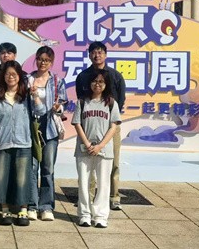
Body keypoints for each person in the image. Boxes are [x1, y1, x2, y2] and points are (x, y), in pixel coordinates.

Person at [0, 60, 45, 227]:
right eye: (7, 74)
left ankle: (23, 210)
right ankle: (5, 210)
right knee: (2, 177)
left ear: (19, 76)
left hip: (23, 143)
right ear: (3, 76)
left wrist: (35, 96)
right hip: (3, 142)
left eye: (14, 74)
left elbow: (41, 111)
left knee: (22, 178)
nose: (10, 77)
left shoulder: (26, 96)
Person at [75, 41, 126, 210]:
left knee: (113, 162)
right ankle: (87, 197)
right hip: (88, 125)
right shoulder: (83, 76)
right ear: (89, 55)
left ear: (105, 54)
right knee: (88, 164)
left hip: (110, 126)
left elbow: (120, 99)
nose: (97, 55)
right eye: (93, 52)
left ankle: (114, 196)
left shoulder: (115, 76)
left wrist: (111, 120)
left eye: (100, 52)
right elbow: (81, 99)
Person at [73, 70, 121, 228]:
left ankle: (100, 216)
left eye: (101, 82)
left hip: (104, 150)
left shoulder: (111, 103)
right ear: (89, 83)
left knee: (103, 183)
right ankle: (84, 214)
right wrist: (88, 144)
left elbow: (113, 127)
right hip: (84, 149)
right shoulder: (82, 102)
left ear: (106, 84)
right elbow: (77, 124)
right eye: (94, 81)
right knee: (84, 183)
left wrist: (100, 145)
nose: (97, 84)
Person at [26, 46, 67, 221]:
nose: (43, 63)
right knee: (32, 168)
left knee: (48, 169)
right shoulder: (28, 79)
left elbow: (63, 104)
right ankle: (32, 205)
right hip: (32, 127)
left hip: (50, 129)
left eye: (47, 60)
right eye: (40, 59)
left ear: (51, 62)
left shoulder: (57, 81)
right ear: (36, 59)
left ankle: (46, 206)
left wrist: (58, 108)